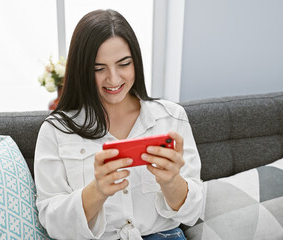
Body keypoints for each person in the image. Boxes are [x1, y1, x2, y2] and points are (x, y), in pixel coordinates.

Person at [34, 9, 203, 240]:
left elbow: (192, 213)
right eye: (98, 68)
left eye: (124, 64)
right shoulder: (56, 131)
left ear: (136, 63)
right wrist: (97, 191)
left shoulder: (171, 118)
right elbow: (52, 223)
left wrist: (172, 181)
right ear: (82, 70)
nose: (113, 79)